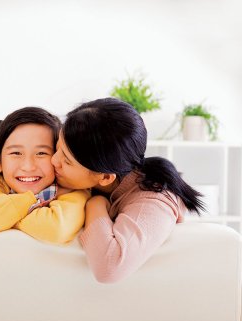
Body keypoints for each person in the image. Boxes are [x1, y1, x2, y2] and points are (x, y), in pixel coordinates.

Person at [51, 97, 204, 283]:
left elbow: (109, 269)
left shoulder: (153, 202)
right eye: (58, 147)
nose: (53, 160)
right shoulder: (88, 177)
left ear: (106, 177)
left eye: (66, 160)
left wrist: (95, 204)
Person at [0, 107, 90, 244]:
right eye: (16, 153)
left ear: (57, 157)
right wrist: (33, 200)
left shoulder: (73, 190)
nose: (28, 166)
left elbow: (56, 229)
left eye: (41, 153)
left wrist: (6, 218)